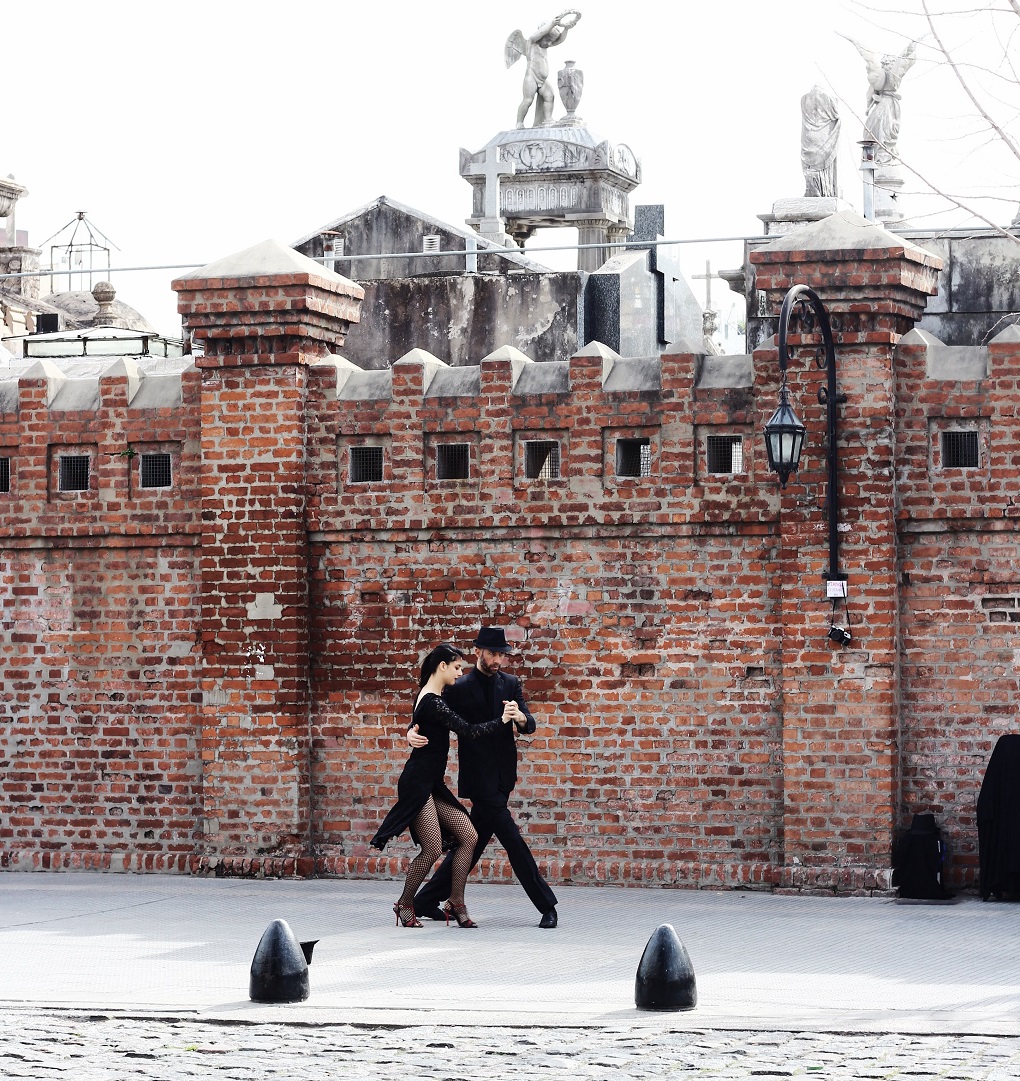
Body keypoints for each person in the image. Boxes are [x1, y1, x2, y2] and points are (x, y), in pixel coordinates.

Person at [408, 627, 559, 928]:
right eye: (492, 653)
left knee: (471, 844)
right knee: (513, 841)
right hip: (479, 779)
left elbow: (530, 725)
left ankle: (425, 900)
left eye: (502, 654)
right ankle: (546, 905)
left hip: (504, 778)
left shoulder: (511, 683)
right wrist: (411, 730)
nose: (498, 660)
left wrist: (521, 718)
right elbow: (428, 706)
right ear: (478, 652)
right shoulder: (459, 686)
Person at [370, 643, 514, 928]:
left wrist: (409, 731)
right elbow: (470, 732)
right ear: (443, 666)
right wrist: (502, 720)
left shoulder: (429, 694)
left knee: (468, 836)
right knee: (433, 848)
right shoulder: (434, 702)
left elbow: (417, 721)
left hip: (430, 782)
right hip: (417, 783)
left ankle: (455, 901)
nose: (461, 673)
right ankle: (404, 904)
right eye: (457, 667)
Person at [505, 11, 581, 129]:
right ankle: (519, 121)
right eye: (548, 40)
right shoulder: (531, 43)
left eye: (551, 41)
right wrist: (551, 24)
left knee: (550, 96)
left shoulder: (546, 45)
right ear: (542, 37)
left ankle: (548, 118)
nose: (550, 43)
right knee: (528, 100)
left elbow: (560, 40)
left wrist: (566, 29)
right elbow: (536, 35)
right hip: (531, 77)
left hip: (542, 80)